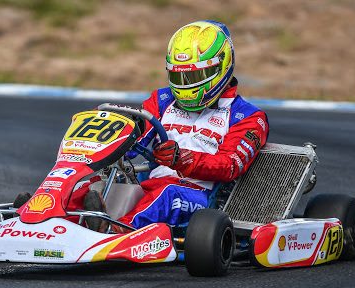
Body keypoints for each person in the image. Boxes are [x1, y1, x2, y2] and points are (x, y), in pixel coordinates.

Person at [84, 20, 269, 231]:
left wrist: (182, 159)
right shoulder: (162, 99)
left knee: (168, 194)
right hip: (149, 186)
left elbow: (229, 165)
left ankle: (114, 231)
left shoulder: (247, 116)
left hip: (201, 198)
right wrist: (110, 143)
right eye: (178, 76)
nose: (185, 84)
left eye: (194, 76)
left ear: (221, 66)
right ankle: (50, 218)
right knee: (88, 186)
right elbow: (137, 136)